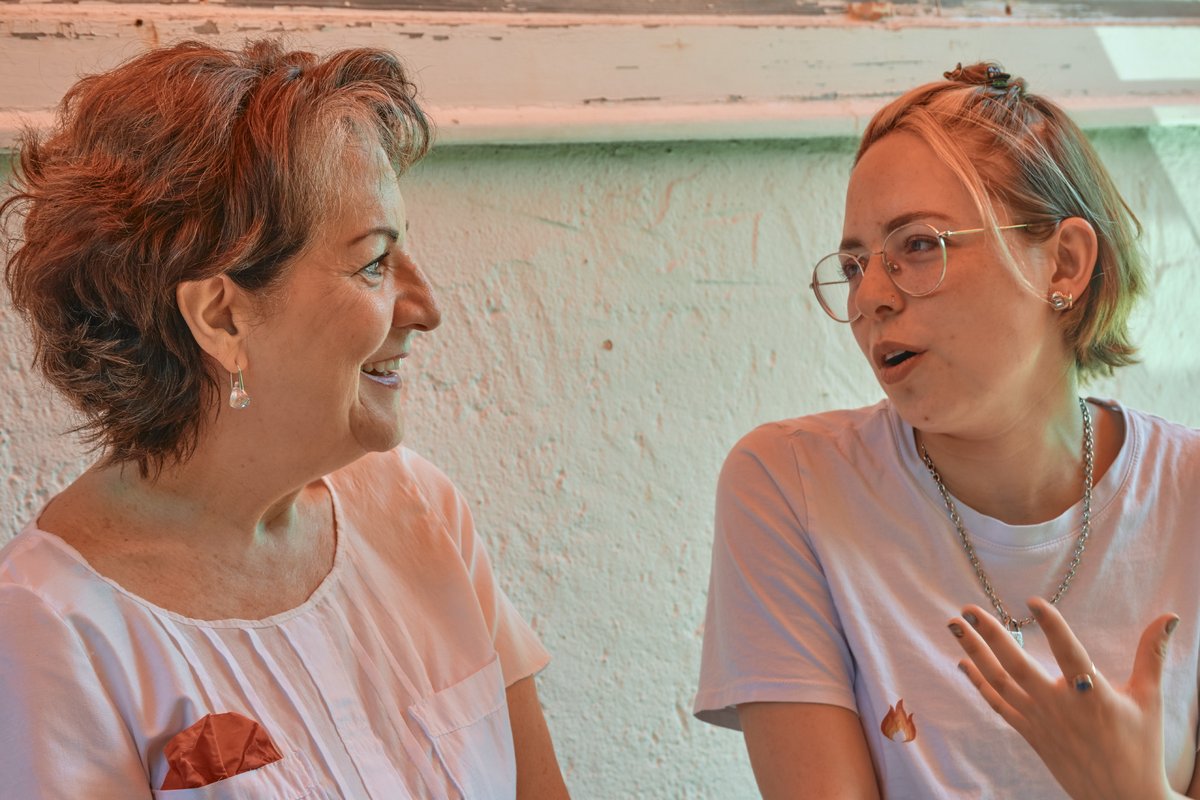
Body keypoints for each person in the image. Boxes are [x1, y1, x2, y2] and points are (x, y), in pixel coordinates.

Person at [0, 40, 569, 799]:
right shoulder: (48, 630)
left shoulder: (420, 510)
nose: (426, 308)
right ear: (221, 317)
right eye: (373, 262)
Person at [693, 62, 1200, 798]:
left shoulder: (1188, 496)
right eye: (854, 264)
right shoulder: (791, 486)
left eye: (919, 245)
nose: (870, 296)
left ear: (1065, 263)